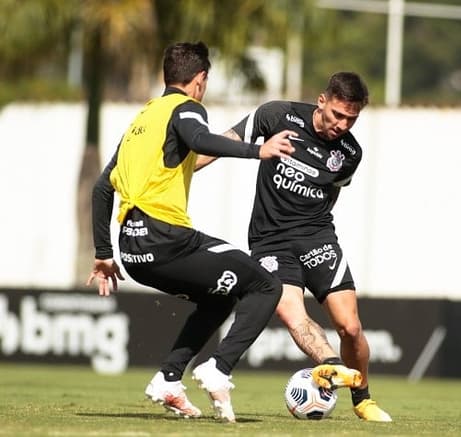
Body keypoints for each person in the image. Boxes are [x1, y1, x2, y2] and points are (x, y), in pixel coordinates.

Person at [86, 41, 316, 423]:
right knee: (265, 285)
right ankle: (218, 369)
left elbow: (101, 188)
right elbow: (199, 139)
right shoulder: (186, 108)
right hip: (166, 239)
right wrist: (258, 150)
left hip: (133, 251)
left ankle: (169, 380)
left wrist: (102, 252)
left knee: (220, 296)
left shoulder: (142, 120)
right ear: (200, 79)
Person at [197, 72, 391, 421]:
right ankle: (332, 366)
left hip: (317, 237)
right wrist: (180, 169)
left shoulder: (350, 153)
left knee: (350, 327)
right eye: (337, 114)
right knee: (291, 312)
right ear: (321, 101)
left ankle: (362, 399)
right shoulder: (277, 115)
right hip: (271, 241)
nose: (342, 125)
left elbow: (332, 191)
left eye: (352, 118)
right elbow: (223, 142)